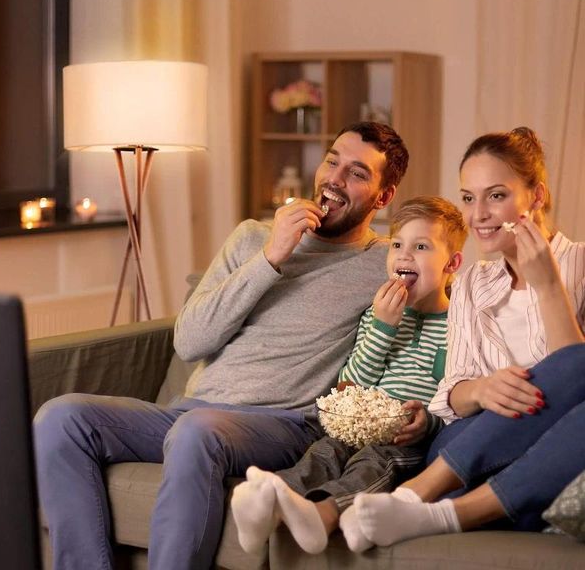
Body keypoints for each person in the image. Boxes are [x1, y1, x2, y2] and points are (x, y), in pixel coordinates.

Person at [33, 121, 409, 570]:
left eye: (357, 173)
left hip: (284, 425)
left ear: (383, 197)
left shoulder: (383, 263)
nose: (335, 179)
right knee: (61, 417)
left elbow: (454, 289)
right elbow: (190, 342)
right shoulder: (254, 238)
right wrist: (270, 258)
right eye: (332, 161)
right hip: (190, 411)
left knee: (196, 432)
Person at [338, 126, 585, 551]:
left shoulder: (580, 264)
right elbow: (449, 393)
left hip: (554, 447)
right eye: (468, 198)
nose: (478, 215)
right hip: (468, 447)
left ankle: (431, 506)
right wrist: (484, 390)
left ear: (537, 197)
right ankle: (430, 497)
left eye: (496, 195)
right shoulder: (472, 281)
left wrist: (548, 287)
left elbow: (574, 376)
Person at [231, 195, 467, 555]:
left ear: (452, 263)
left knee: (373, 462)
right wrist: (384, 329)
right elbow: (350, 386)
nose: (404, 255)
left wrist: (427, 424)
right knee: (324, 452)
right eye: (398, 245)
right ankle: (268, 501)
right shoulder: (377, 316)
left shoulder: (460, 328)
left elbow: (455, 401)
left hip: (407, 442)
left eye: (421, 247)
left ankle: (322, 513)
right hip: (359, 425)